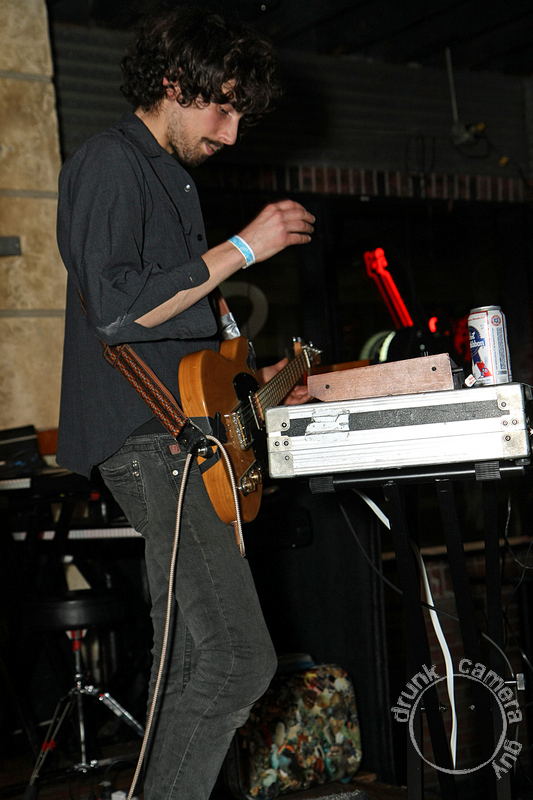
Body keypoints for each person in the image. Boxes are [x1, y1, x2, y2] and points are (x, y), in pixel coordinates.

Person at [56, 6, 314, 800]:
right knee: (238, 661)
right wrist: (242, 248)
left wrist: (258, 381)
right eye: (221, 108)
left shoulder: (168, 178)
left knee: (195, 660)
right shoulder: (111, 160)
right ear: (173, 83)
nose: (230, 133)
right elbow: (118, 311)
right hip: (153, 442)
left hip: (181, 435)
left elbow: (183, 340)